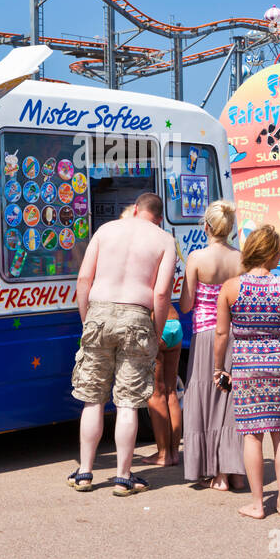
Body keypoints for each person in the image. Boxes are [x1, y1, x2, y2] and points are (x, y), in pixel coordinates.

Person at [67, 193, 175, 495]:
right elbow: (162, 293)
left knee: (93, 398)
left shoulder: (106, 230)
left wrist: (88, 319)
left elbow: (84, 280)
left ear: (136, 209)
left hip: (99, 310)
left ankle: (85, 473)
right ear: (158, 217)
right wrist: (155, 329)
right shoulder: (164, 240)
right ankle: (123, 477)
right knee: (127, 401)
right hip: (137, 313)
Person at [214, 224, 280, 519]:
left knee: (252, 435)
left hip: (245, 367)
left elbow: (220, 334)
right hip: (279, 364)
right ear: (272, 255)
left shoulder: (231, 288)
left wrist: (219, 368)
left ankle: (258, 504)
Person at [179, 200, 245, 489]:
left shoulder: (196, 258)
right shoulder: (241, 259)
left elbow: (186, 304)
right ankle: (233, 470)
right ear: (229, 228)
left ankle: (215, 472)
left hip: (206, 334)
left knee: (206, 397)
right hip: (235, 334)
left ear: (206, 227)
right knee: (229, 400)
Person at [141, 306, 183, 466]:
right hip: (175, 322)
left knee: (156, 392)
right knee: (171, 391)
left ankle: (163, 454)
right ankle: (174, 453)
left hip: (156, 324)